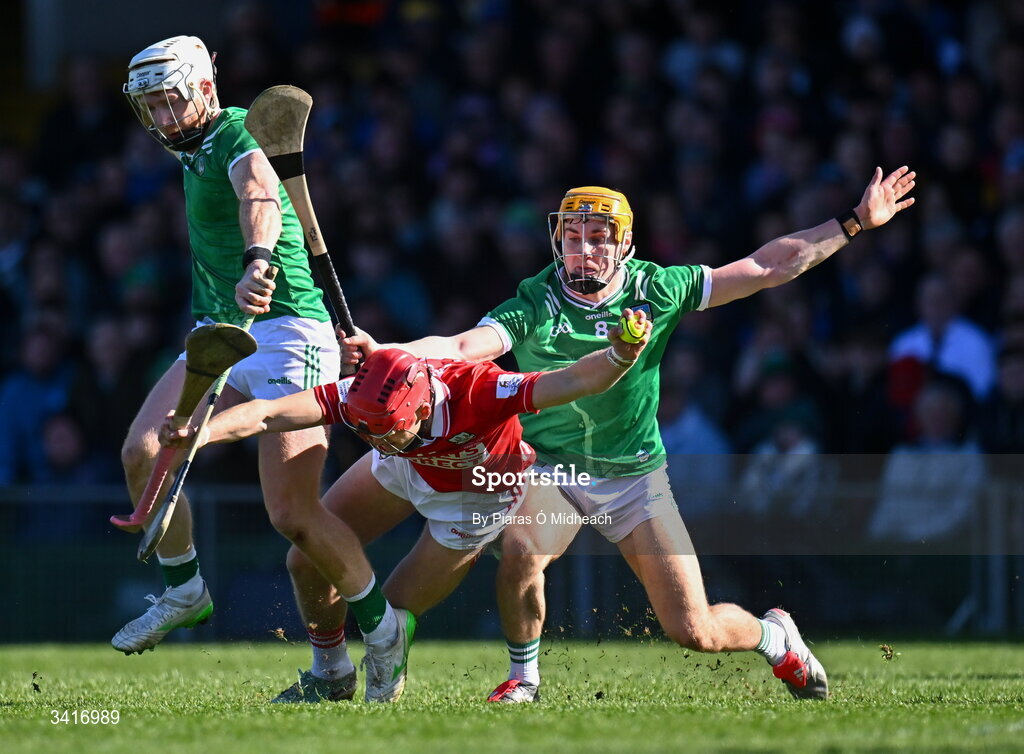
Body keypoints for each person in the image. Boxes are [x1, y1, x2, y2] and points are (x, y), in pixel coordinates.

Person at [342, 171, 916, 702]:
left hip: (634, 476)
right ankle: (524, 679)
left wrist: (853, 223)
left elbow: (767, 267)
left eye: (597, 236)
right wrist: (391, 354)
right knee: (519, 551)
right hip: (552, 468)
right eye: (572, 235)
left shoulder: (657, 289)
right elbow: (465, 346)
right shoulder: (537, 299)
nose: (583, 248)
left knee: (695, 630)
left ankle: (775, 637)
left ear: (624, 243)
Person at [160, 312, 652, 702]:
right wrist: (201, 432)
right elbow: (268, 413)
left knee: (391, 614)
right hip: (410, 468)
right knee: (305, 559)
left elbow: (573, 382)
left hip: (476, 494)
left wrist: (620, 355)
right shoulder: (368, 401)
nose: (379, 439)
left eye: (388, 430)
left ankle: (502, 672)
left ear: (421, 405)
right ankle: (329, 673)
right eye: (369, 431)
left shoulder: (479, 389)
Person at [112, 35, 350, 689]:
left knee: (294, 517)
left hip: (286, 329)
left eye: (172, 102)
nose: (162, 119)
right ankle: (184, 588)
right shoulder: (191, 154)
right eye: (152, 107)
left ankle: (350, 653)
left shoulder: (241, 132)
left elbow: (259, 196)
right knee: (142, 451)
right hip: (217, 330)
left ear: (206, 89)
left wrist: (259, 261)